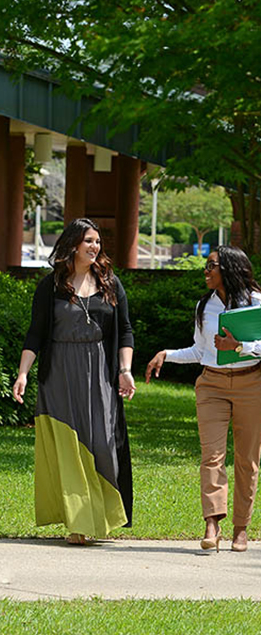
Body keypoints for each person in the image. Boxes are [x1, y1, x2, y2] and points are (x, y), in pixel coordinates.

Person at [13, 218, 135, 544]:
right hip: (60, 373)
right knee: (70, 446)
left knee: (103, 444)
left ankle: (104, 516)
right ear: (72, 245)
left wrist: (125, 369)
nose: (95, 247)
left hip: (100, 373)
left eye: (97, 241)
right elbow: (35, 334)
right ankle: (80, 523)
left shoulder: (110, 283)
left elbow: (125, 331)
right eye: (88, 241)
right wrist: (23, 374)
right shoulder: (50, 286)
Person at [146, 245, 261, 553]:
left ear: (230, 269)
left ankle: (241, 529)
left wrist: (240, 347)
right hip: (211, 384)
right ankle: (212, 523)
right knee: (211, 456)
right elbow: (200, 351)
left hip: (252, 384)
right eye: (206, 266)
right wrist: (166, 355)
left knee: (247, 461)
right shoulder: (204, 307)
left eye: (211, 266)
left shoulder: (257, 303)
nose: (206, 272)